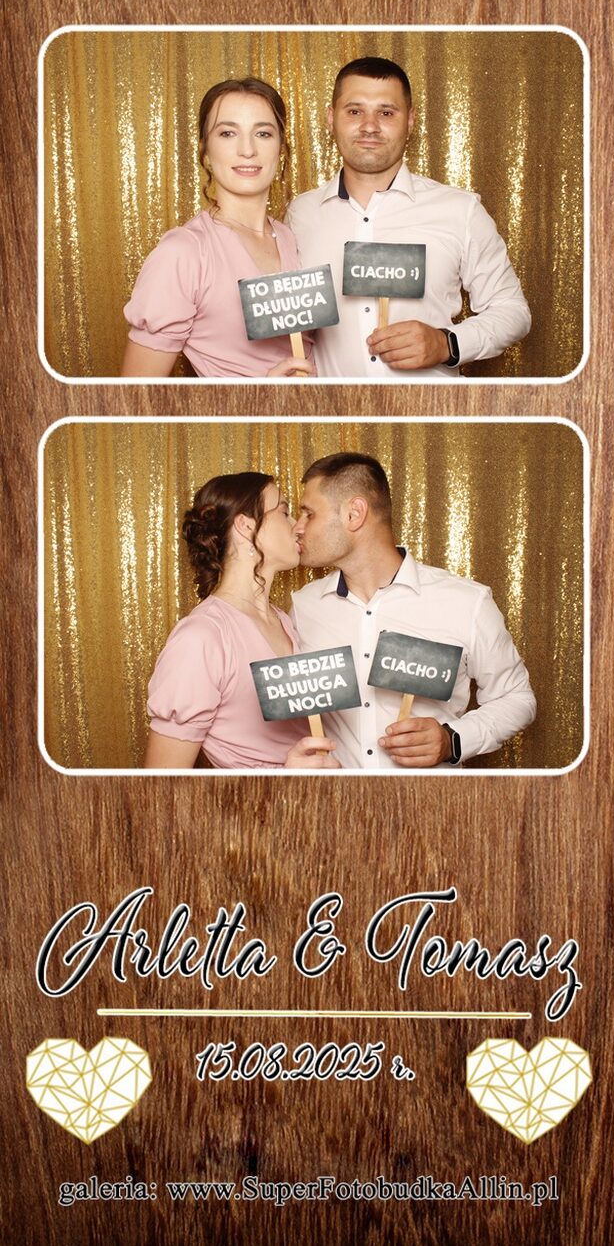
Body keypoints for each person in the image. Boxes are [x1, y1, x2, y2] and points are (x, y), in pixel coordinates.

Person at [286, 56, 531, 379]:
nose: (370, 126)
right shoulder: (300, 214)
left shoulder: (460, 210)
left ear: (411, 120)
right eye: (355, 111)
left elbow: (513, 311)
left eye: (386, 113)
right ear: (332, 119)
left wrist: (447, 343)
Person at [291, 453, 536, 771]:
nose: (297, 527)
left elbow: (517, 698)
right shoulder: (304, 607)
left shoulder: (466, 601)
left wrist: (452, 740)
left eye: (308, 514)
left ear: (354, 514)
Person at [144, 472, 339, 770]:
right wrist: (284, 781)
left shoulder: (283, 620)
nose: (298, 526)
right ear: (246, 525)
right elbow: (161, 783)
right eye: (285, 512)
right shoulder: (201, 637)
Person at [122, 78, 314, 379]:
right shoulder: (183, 252)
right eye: (227, 133)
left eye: (263, 133)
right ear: (206, 152)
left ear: (281, 149)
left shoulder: (289, 236)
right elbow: (134, 396)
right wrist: (258, 398)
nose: (247, 150)